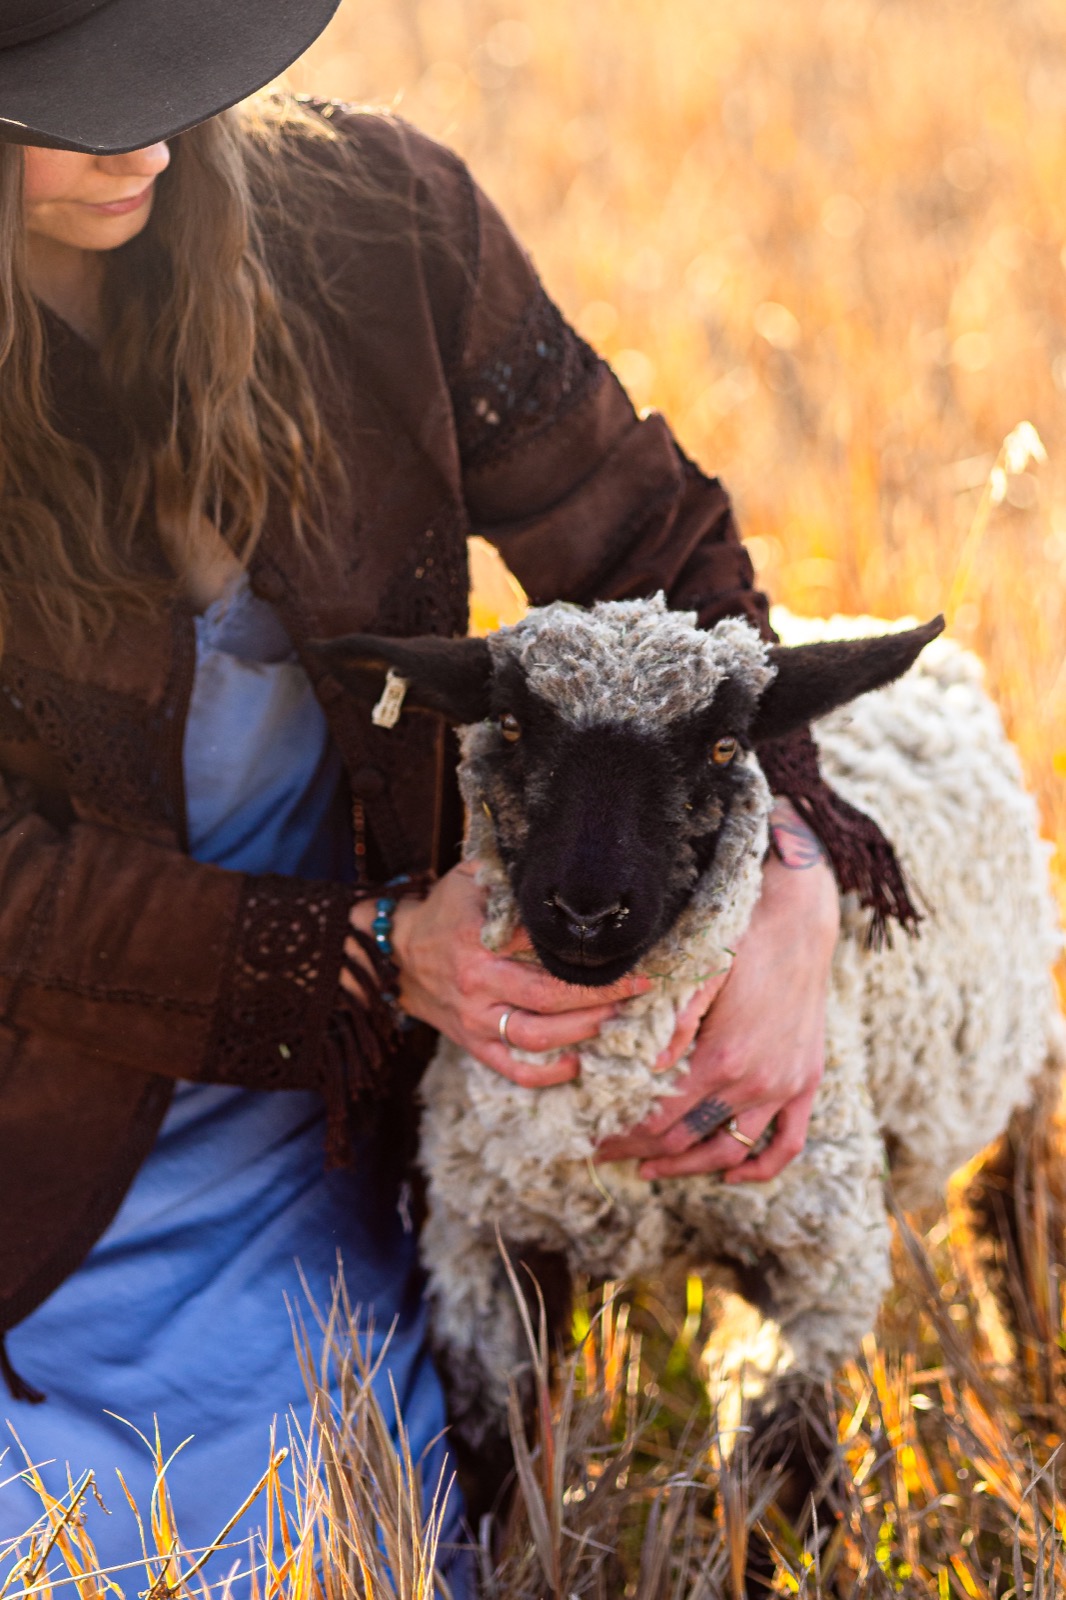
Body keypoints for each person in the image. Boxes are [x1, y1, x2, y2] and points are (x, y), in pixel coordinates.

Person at [0, 0, 920, 1588]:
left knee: (338, 1542)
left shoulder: (378, 227)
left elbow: (655, 551)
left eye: (165, 74)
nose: (140, 141)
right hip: (43, 1135)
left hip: (338, 1126)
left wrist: (784, 876)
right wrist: (365, 947)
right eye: (44, 111)